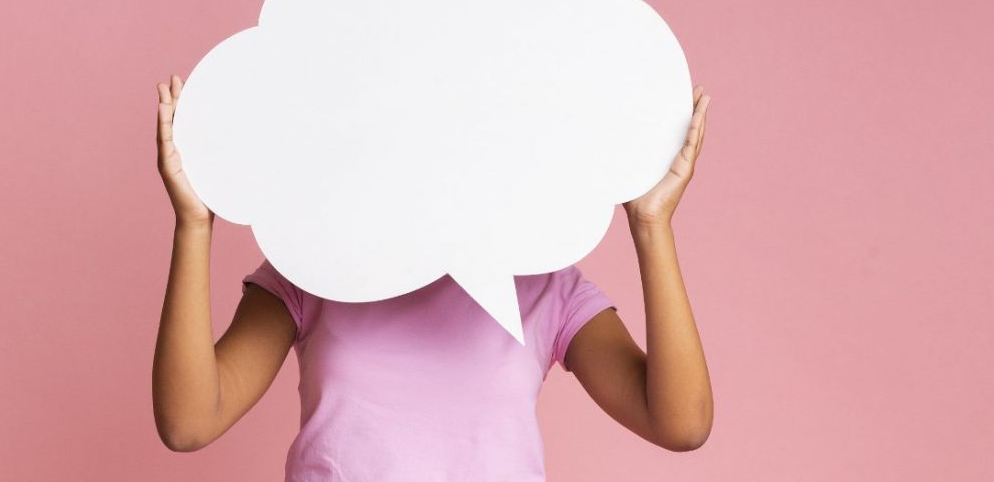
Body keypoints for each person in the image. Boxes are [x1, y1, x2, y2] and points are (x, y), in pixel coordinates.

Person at [152, 74, 713, 480]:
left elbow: (681, 425)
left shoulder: (546, 287)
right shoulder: (309, 270)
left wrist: (651, 223)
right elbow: (189, 424)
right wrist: (194, 225)